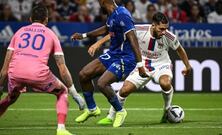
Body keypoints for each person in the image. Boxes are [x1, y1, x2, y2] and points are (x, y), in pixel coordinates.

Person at [88, 12, 192, 125]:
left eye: (165, 29)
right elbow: (116, 34)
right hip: (142, 64)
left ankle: (167, 110)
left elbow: (180, 49)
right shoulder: (139, 29)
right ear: (153, 25)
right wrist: (98, 43)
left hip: (161, 64)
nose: (163, 32)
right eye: (161, 29)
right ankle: (111, 116)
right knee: (124, 90)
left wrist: (187, 66)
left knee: (165, 83)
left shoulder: (169, 37)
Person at [0, 4, 85, 135]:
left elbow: (5, 65)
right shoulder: (51, 34)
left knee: (10, 99)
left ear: (30, 19)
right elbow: (62, 67)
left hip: (15, 73)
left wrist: (0, 86)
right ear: (46, 20)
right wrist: (74, 93)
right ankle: (61, 129)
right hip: (37, 74)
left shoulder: (19, 32)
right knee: (62, 91)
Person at [71, 0, 148, 127]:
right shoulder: (111, 14)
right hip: (113, 54)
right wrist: (84, 35)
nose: (98, 4)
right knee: (84, 74)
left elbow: (133, 39)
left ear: (103, 1)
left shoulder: (122, 14)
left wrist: (140, 65)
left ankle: (120, 111)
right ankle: (92, 109)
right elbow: (106, 29)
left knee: (102, 83)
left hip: (126, 58)